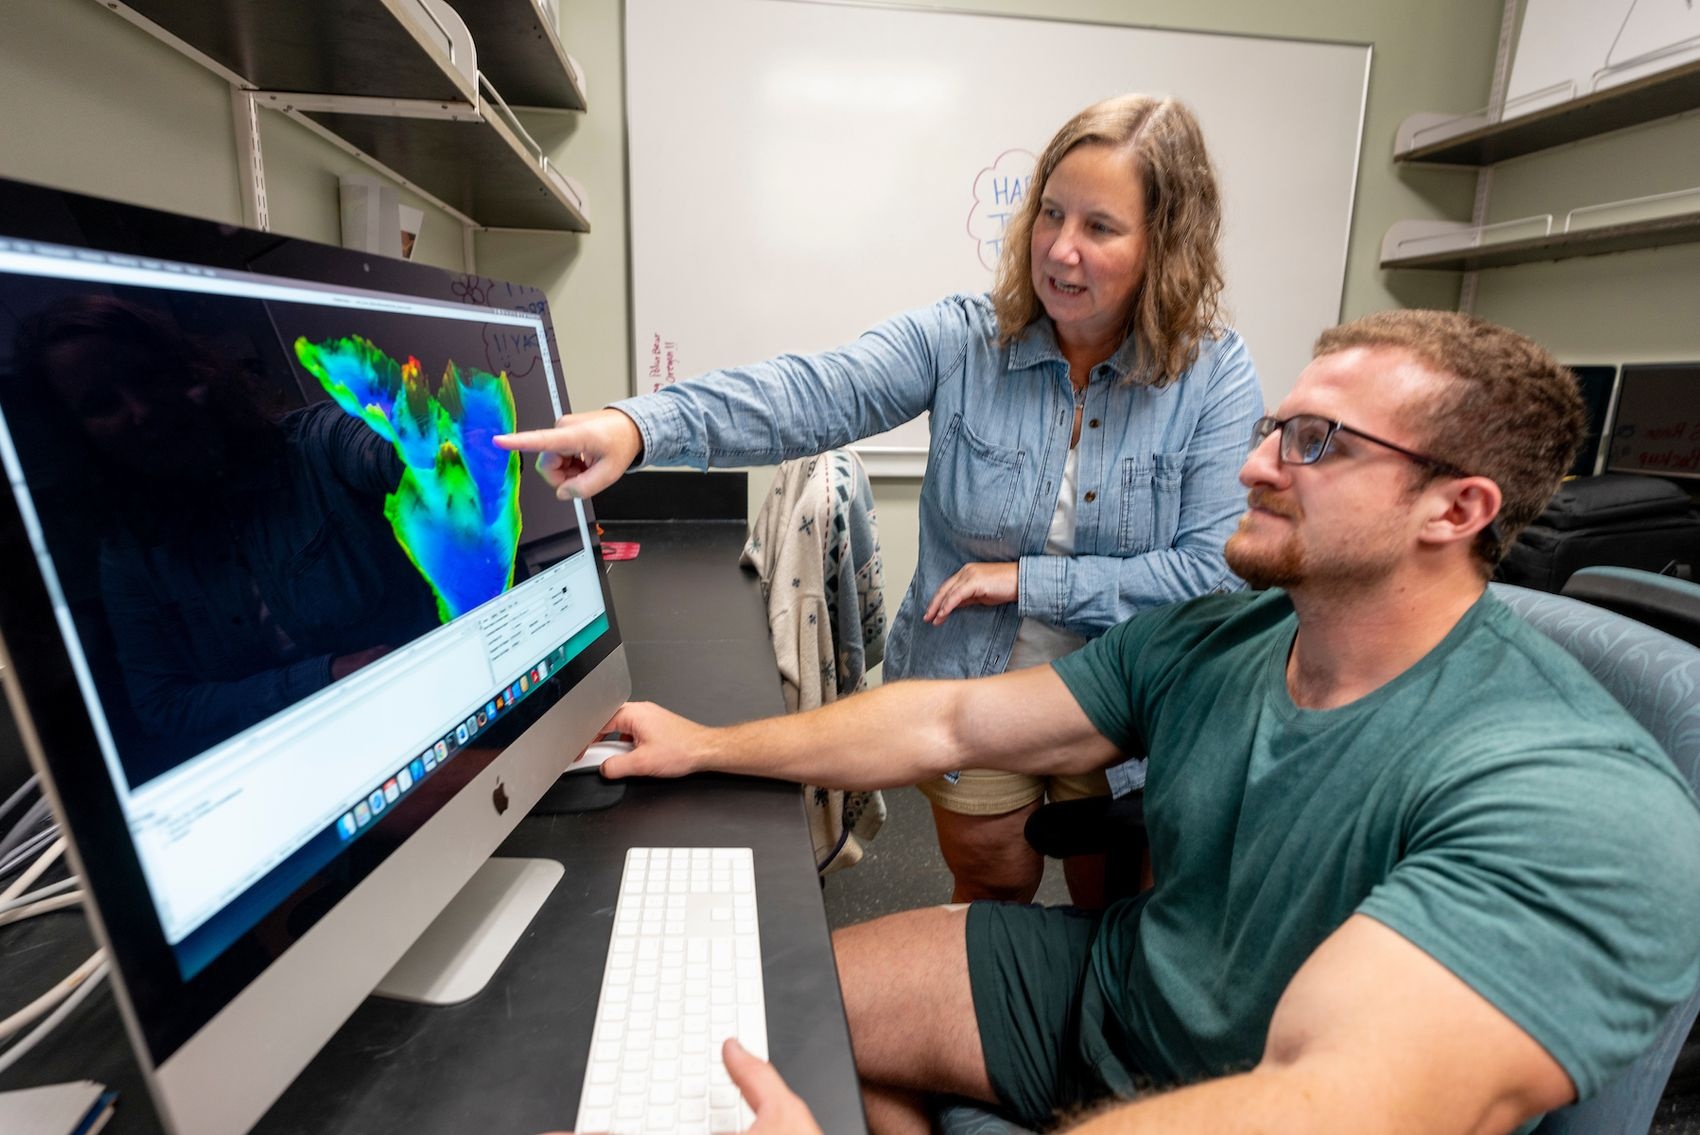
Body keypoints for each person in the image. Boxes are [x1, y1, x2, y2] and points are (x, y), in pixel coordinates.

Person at [569, 310, 1700, 1134]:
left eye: (1314, 442)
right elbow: (953, 722)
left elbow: (1323, 1102)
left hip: (1249, 1090)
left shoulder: (1570, 797)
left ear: (1455, 508)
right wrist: (704, 745)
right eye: (1272, 427)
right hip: (1116, 991)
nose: (1252, 465)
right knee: (745, 1018)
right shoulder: (1224, 634)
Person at [499, 94, 1264, 904]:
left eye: (1100, 227)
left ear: (1164, 245)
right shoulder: (965, 338)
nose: (1060, 248)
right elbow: (813, 392)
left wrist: (1030, 581)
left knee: (1113, 908)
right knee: (992, 885)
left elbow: (1212, 576)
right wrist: (640, 427)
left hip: (1132, 708)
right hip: (971, 684)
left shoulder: (1213, 374)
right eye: (1050, 213)